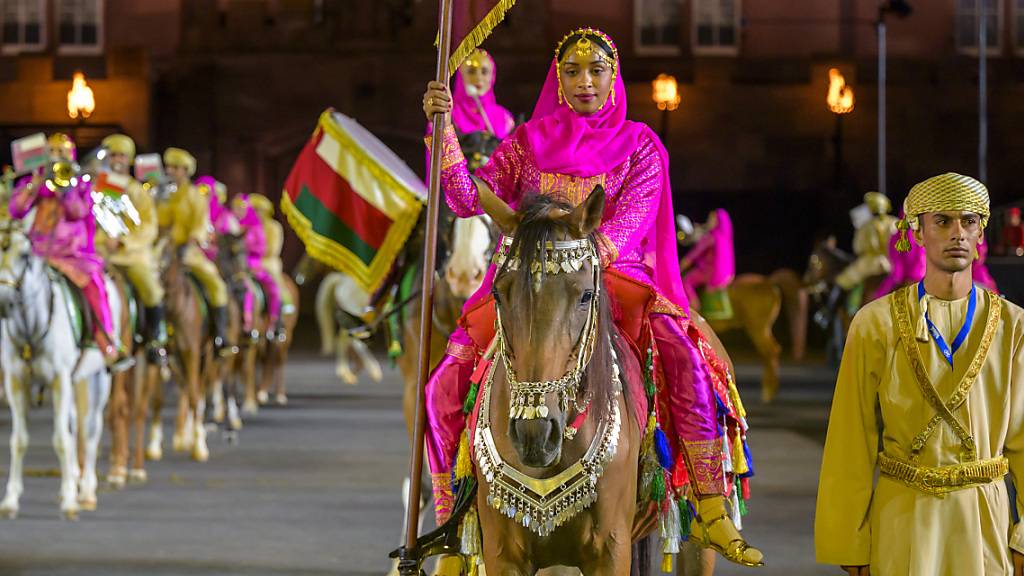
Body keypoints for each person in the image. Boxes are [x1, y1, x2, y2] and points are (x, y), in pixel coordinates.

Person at [422, 28, 760, 567]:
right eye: (573, 71)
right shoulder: (527, 140)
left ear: (612, 78)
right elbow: (466, 198)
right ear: (558, 79)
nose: (585, 81)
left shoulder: (642, 145)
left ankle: (709, 505)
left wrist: (580, 255)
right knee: (444, 381)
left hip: (609, 273)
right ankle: (450, 522)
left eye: (596, 71)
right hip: (530, 279)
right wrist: (441, 133)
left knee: (686, 351)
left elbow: (628, 222)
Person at [816, 172, 1024, 575]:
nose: (958, 233)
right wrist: (850, 538)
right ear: (918, 231)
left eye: (968, 221)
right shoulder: (874, 323)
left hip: (984, 519)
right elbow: (851, 437)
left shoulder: (1012, 326)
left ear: (981, 232)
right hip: (903, 516)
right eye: (942, 221)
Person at [8, 133, 128, 368]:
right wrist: (34, 184)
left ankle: (106, 342)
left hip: (75, 255)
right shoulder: (35, 181)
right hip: (38, 253)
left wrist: (65, 189)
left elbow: (80, 211)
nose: (56, 158)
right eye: (51, 152)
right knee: (8, 283)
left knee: (95, 285)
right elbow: (16, 210)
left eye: (61, 153)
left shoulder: (82, 182)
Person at [95, 134, 167, 362]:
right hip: (104, 254)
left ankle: (155, 339)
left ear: (129, 160)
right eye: (113, 154)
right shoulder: (100, 187)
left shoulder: (138, 190)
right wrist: (103, 239)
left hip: (132, 256)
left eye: (122, 155)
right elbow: (92, 219)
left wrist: (125, 241)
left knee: (152, 289)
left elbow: (149, 226)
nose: (117, 159)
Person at [157, 148, 234, 356]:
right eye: (168, 167)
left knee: (217, 285)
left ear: (185, 171)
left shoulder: (195, 196)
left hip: (190, 252)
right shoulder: (169, 196)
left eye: (174, 168)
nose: (170, 171)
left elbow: (201, 224)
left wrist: (191, 241)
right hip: (168, 251)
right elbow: (162, 222)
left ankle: (220, 336)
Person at [230, 193, 284, 341]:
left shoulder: (271, 227)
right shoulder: (241, 225)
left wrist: (248, 252)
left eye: (260, 210)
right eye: (254, 210)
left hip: (265, 262)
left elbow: (269, 248)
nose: (257, 213)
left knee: (275, 286)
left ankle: (276, 319)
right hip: (243, 263)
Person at [681, 209, 735, 320]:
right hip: (726, 274)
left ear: (717, 222)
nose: (708, 221)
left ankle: (695, 310)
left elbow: (693, 255)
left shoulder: (711, 237)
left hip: (709, 272)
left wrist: (681, 266)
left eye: (711, 219)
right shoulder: (723, 237)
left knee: (686, 280)